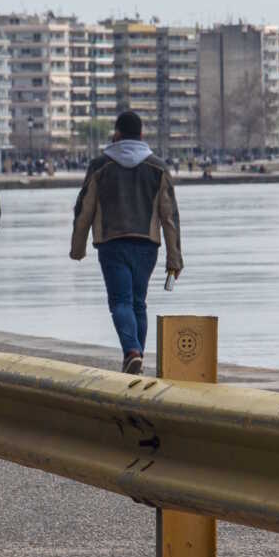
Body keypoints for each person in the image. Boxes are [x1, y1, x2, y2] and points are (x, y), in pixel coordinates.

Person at [70, 110, 185, 374]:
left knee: (120, 302)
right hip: (147, 245)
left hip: (112, 243)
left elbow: (83, 209)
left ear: (117, 134)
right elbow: (170, 216)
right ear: (142, 134)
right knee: (138, 303)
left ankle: (132, 352)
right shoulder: (158, 167)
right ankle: (137, 357)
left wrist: (78, 248)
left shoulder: (100, 166)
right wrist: (174, 258)